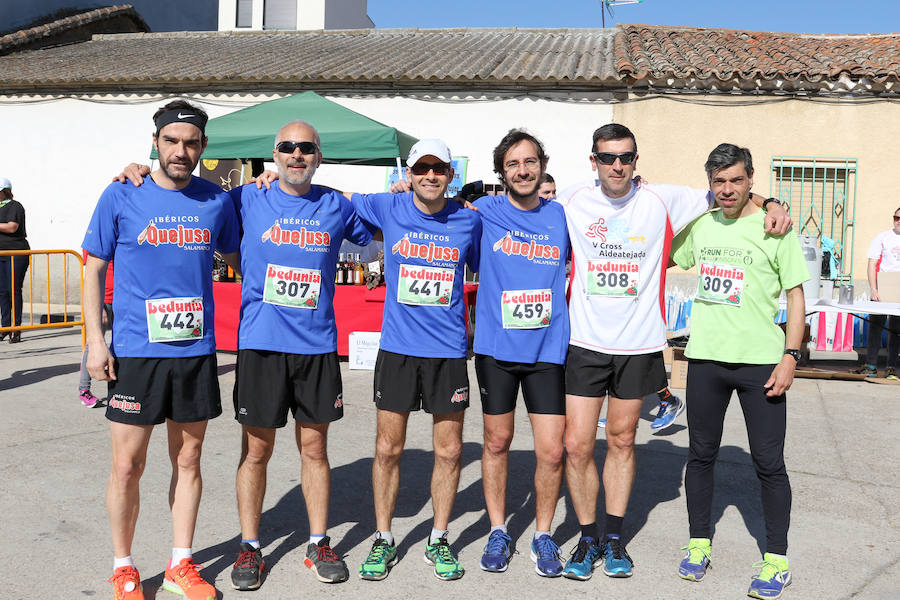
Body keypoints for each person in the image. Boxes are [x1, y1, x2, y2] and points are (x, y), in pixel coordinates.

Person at [115, 119, 373, 590]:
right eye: (287, 147)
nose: (297, 155)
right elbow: (184, 194)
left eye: (306, 148)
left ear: (319, 155)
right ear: (273, 155)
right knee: (256, 450)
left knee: (315, 449)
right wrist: (135, 170)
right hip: (261, 345)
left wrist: (401, 189)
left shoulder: (336, 204)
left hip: (316, 347)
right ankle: (250, 547)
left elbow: (384, 227)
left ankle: (318, 542)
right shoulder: (244, 197)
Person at [556, 123, 791, 580]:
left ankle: (617, 540)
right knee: (576, 444)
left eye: (626, 157)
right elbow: (519, 201)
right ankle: (588, 540)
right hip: (584, 341)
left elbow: (729, 194)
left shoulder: (663, 199)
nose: (617, 165)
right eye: (608, 158)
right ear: (594, 162)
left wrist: (773, 202)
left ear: (636, 160)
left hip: (640, 344)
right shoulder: (572, 198)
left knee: (623, 440)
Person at [84, 100, 240, 600]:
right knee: (127, 465)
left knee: (189, 460)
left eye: (191, 142)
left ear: (204, 148)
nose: (181, 150)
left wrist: (263, 187)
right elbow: (92, 270)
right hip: (136, 352)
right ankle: (124, 566)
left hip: (195, 352)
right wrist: (94, 340)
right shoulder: (121, 194)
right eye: (171, 141)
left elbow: (239, 249)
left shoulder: (217, 202)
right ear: (155, 143)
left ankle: (180, 565)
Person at [671, 143, 807, 599]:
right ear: (709, 183)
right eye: (718, 181)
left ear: (751, 179)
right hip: (707, 359)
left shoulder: (776, 228)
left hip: (761, 364)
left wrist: (791, 356)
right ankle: (697, 544)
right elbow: (663, 253)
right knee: (701, 456)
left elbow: (795, 296)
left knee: (769, 464)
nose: (727, 190)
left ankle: (776, 558)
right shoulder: (703, 227)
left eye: (736, 180)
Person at [351, 139, 481, 582]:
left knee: (449, 451)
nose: (430, 175)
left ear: (451, 174)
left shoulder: (468, 221)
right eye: (422, 168)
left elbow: (492, 266)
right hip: (398, 351)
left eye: (439, 168)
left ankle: (438, 538)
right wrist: (270, 179)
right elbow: (327, 196)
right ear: (409, 172)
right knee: (388, 448)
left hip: (447, 354)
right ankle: (384, 539)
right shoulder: (388, 208)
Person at [471, 130, 569, 577]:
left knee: (551, 452)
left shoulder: (562, 215)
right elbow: (427, 207)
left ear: (542, 165)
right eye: (513, 164)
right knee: (497, 442)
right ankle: (498, 528)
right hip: (495, 349)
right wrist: (400, 185)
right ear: (502, 173)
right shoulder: (484, 212)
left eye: (530, 162)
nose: (523, 170)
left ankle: (544, 534)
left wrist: (767, 202)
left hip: (548, 348)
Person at [853, 207, 900, 379]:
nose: (899, 220)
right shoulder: (882, 237)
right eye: (896, 217)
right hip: (881, 288)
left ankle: (891, 368)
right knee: (876, 327)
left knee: (896, 330)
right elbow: (872, 263)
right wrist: (873, 289)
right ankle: (871, 366)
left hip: (898, 291)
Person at [78, 250, 114, 407]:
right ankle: (84, 390)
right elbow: (91, 274)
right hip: (104, 301)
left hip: (124, 297)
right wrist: (99, 307)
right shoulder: (98, 235)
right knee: (93, 345)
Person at [0, 177, 29, 343]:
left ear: (4, 191)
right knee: (2, 291)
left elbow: (12, 227)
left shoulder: (15, 206)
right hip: (1, 254)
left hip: (16, 253)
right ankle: (4, 327)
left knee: (13, 290)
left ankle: (16, 329)